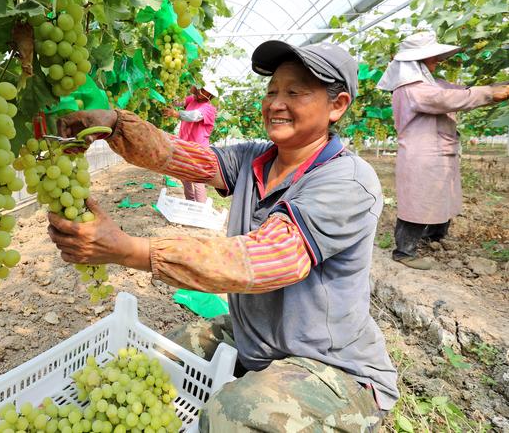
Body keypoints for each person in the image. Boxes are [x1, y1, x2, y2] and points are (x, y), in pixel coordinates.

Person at [48, 40, 399, 431]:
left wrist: (130, 250)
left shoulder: (347, 182)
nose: (276, 103)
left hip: (332, 367)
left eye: (295, 91)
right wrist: (114, 124)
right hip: (260, 340)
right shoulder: (254, 158)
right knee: (157, 359)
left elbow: (266, 259)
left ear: (337, 105)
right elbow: (176, 154)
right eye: (272, 91)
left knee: (229, 417)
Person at [377, 31, 509, 270]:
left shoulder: (429, 83)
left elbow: (459, 89)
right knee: (417, 201)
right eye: (432, 57)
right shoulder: (412, 88)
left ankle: (434, 237)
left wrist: (493, 87)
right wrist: (489, 93)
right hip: (422, 154)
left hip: (438, 150)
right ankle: (404, 252)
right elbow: (448, 99)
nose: (437, 61)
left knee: (441, 195)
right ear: (415, 62)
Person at [164, 83, 218, 202]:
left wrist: (175, 114)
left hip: (198, 149)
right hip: (184, 146)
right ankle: (190, 203)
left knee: (197, 180)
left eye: (204, 91)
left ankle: (200, 209)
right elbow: (178, 102)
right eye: (200, 89)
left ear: (211, 95)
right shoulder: (192, 99)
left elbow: (194, 116)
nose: (201, 92)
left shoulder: (209, 108)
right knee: (184, 176)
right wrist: (190, 90)